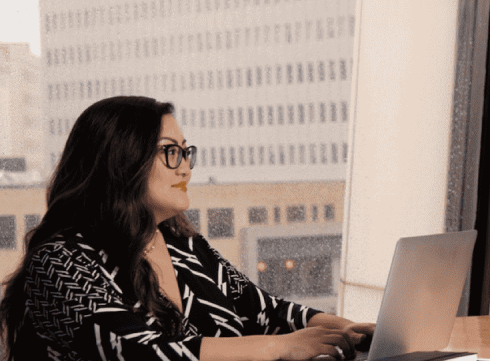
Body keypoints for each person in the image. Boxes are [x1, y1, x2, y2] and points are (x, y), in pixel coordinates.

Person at [0, 96, 375, 360]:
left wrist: (349, 329)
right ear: (121, 160)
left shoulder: (183, 245)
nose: (186, 168)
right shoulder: (59, 262)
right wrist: (279, 347)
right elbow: (138, 351)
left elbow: (263, 309)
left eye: (185, 151)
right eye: (170, 152)